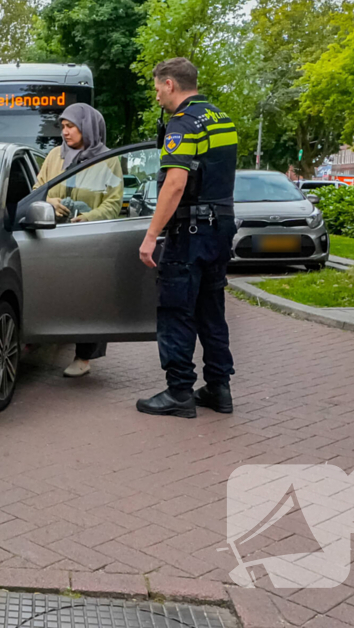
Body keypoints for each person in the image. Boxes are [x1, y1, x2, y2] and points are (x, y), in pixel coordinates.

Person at [137, 58, 237, 418]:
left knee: (177, 310)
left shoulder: (183, 124)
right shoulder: (221, 119)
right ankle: (218, 388)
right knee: (212, 309)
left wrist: (151, 236)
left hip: (190, 232)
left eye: (157, 89)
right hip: (221, 227)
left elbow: (176, 183)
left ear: (169, 84)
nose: (157, 97)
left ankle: (179, 391)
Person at [34, 102, 124, 378]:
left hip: (90, 241)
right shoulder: (54, 157)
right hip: (53, 238)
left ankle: (84, 356)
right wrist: (49, 200)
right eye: (62, 127)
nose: (65, 132)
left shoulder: (108, 160)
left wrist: (89, 218)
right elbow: (37, 189)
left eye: (70, 126)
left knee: (89, 297)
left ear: (87, 127)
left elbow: (114, 201)